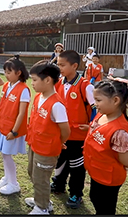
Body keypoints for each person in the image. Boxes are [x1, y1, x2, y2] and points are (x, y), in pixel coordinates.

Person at [24, 60, 71, 215]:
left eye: (35, 80)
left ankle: (42, 207)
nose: (32, 83)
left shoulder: (57, 105)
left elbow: (65, 130)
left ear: (48, 80)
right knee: (33, 173)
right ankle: (43, 200)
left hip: (47, 149)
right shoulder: (38, 97)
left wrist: (59, 142)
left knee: (41, 178)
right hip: (34, 143)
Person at [52, 50, 95, 209]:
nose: (59, 68)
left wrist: (91, 126)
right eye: (58, 64)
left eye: (62, 65)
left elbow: (97, 109)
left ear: (74, 66)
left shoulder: (85, 86)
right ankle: (58, 184)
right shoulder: (58, 83)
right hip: (61, 134)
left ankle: (76, 193)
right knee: (60, 161)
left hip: (78, 136)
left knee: (77, 166)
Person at [83, 79, 128, 215]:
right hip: (96, 172)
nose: (95, 104)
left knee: (105, 207)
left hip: (108, 178)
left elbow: (125, 161)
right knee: (95, 198)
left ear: (115, 100)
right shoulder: (102, 114)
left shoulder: (120, 132)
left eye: (98, 100)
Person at [0, 56, 30, 194]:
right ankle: (7, 178)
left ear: (18, 73)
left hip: (12, 128)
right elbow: (1, 103)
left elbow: (22, 113)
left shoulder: (24, 89)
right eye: (5, 72)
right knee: (3, 153)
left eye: (8, 72)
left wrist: (14, 131)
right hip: (2, 125)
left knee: (7, 155)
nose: (6, 75)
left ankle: (14, 183)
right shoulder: (7, 85)